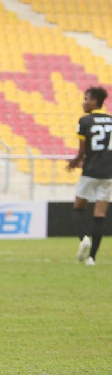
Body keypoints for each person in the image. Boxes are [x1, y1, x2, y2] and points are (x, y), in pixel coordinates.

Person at [67, 85, 112, 265]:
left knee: (78, 207)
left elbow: (82, 151)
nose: (84, 102)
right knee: (100, 215)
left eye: (86, 99)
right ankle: (92, 258)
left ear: (94, 101)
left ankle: (84, 237)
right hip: (109, 173)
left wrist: (74, 161)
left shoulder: (85, 121)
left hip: (90, 171)